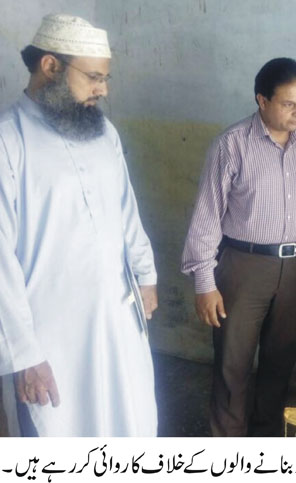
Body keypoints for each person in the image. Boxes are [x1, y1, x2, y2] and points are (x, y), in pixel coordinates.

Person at [0, 14, 159, 436]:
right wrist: (24, 355)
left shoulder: (103, 132)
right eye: (93, 77)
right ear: (50, 66)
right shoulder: (8, 142)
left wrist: (145, 275)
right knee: (59, 434)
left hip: (116, 320)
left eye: (105, 78)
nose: (103, 90)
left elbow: (126, 210)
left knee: (129, 421)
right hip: (50, 338)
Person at [181, 57, 296, 437]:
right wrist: (204, 283)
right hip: (243, 266)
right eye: (289, 104)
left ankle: (266, 442)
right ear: (262, 100)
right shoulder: (231, 145)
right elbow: (207, 216)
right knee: (233, 364)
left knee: (280, 362)